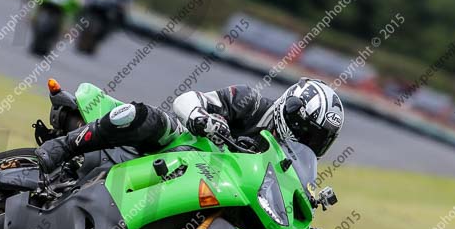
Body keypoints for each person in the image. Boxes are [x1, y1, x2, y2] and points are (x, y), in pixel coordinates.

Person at [35, 78, 345, 172]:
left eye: (318, 140)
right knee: (146, 116)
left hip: (213, 183)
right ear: (290, 111)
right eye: (307, 131)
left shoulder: (288, 165)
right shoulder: (250, 102)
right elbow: (187, 99)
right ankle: (63, 146)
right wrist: (201, 117)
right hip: (180, 147)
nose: (308, 142)